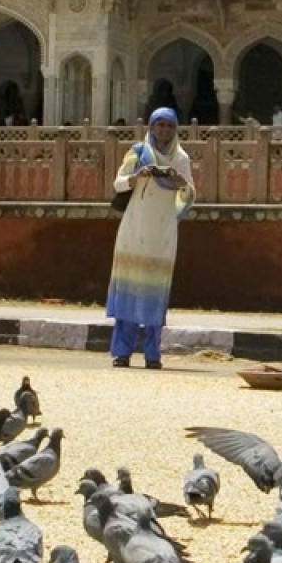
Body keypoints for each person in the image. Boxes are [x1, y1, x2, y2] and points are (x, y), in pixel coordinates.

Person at [106, 108, 196, 369]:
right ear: (151, 127)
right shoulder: (137, 152)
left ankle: (152, 353)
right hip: (134, 230)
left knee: (156, 293)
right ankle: (122, 352)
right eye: (159, 125)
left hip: (162, 233)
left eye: (169, 126)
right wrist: (136, 177)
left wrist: (178, 180)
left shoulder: (181, 158)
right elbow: (118, 183)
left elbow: (189, 195)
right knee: (129, 291)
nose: (164, 130)